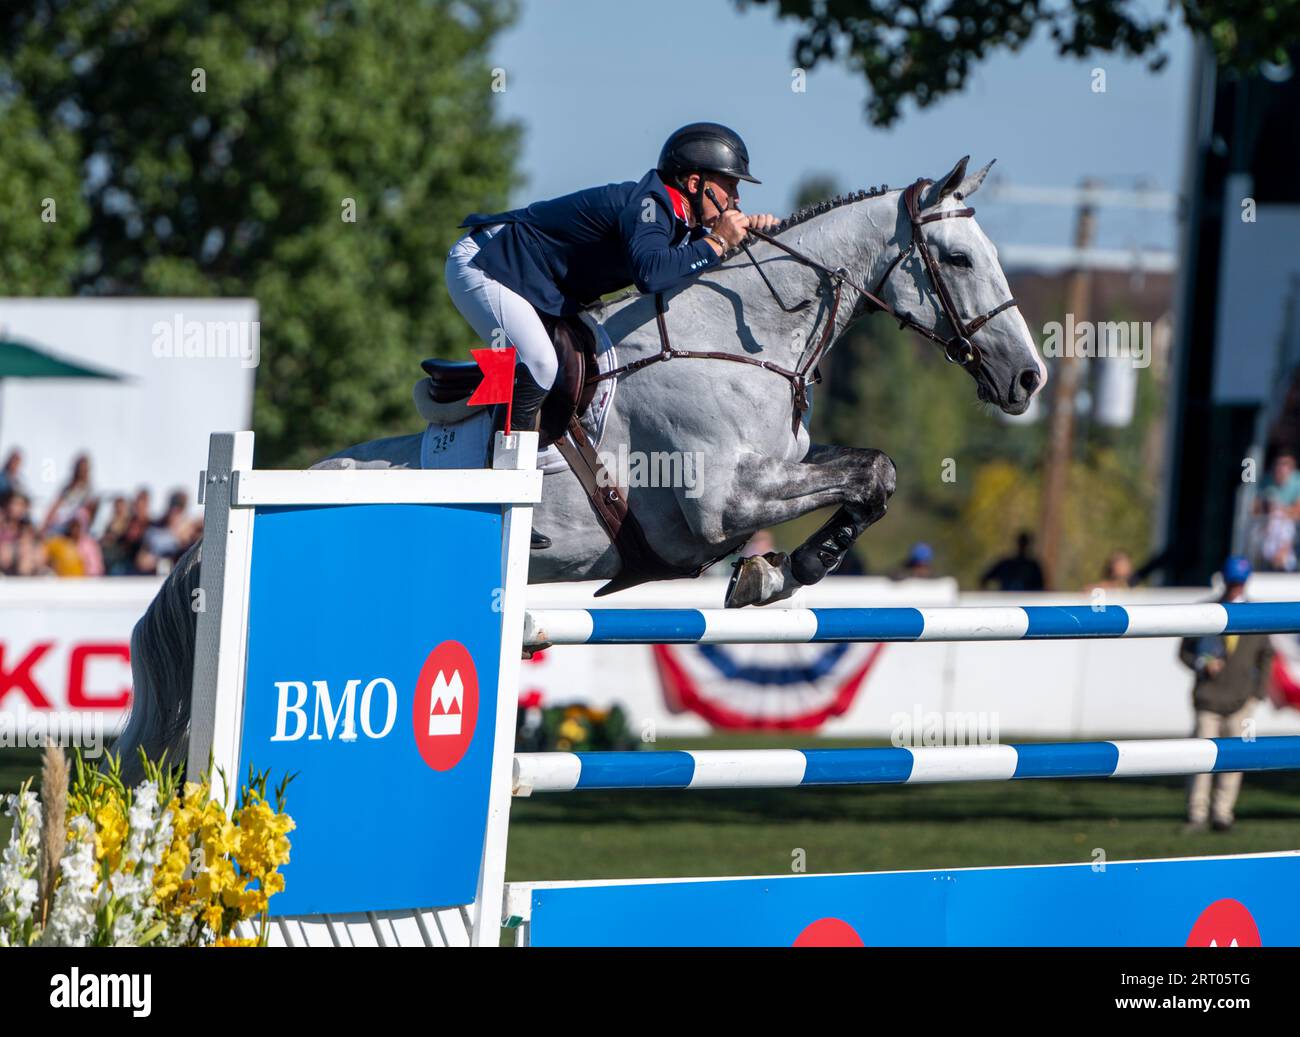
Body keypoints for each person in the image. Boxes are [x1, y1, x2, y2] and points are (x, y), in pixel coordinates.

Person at [446, 123, 777, 548]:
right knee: (540, 362)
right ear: (694, 183)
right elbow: (651, 273)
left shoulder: (676, 215)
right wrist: (717, 243)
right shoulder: (650, 204)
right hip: (486, 264)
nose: (736, 200)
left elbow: (687, 260)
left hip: (535, 285)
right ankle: (500, 496)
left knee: (562, 360)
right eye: (728, 188)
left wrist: (747, 237)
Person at [1178, 556, 1273, 832]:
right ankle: (1196, 813)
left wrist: (1258, 694)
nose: (1234, 588)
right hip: (1207, 698)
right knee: (1199, 759)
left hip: (1241, 701)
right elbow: (1184, 651)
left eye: (1239, 582)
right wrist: (1201, 664)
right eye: (1232, 582)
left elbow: (1266, 656)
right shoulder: (1205, 610)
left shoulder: (1259, 614)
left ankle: (1223, 813)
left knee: (1235, 761)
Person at [979, 531, 1045, 591]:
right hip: (1006, 602)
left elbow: (1042, 588)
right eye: (1021, 543)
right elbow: (984, 578)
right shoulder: (1006, 564)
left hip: (1025, 602)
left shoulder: (1033, 567)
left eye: (1024, 543)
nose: (1023, 546)